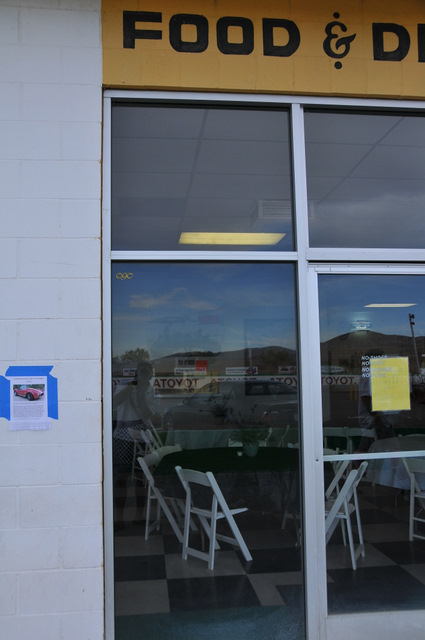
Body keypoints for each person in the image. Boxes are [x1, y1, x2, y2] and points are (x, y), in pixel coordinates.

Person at [113, 361, 159, 466]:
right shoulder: (125, 384)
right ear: (136, 373)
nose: (143, 374)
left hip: (142, 436)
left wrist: (141, 394)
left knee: (141, 467)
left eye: (146, 372)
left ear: (151, 375)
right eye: (141, 371)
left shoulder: (153, 392)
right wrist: (133, 384)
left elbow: (145, 415)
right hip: (122, 433)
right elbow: (116, 401)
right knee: (121, 466)